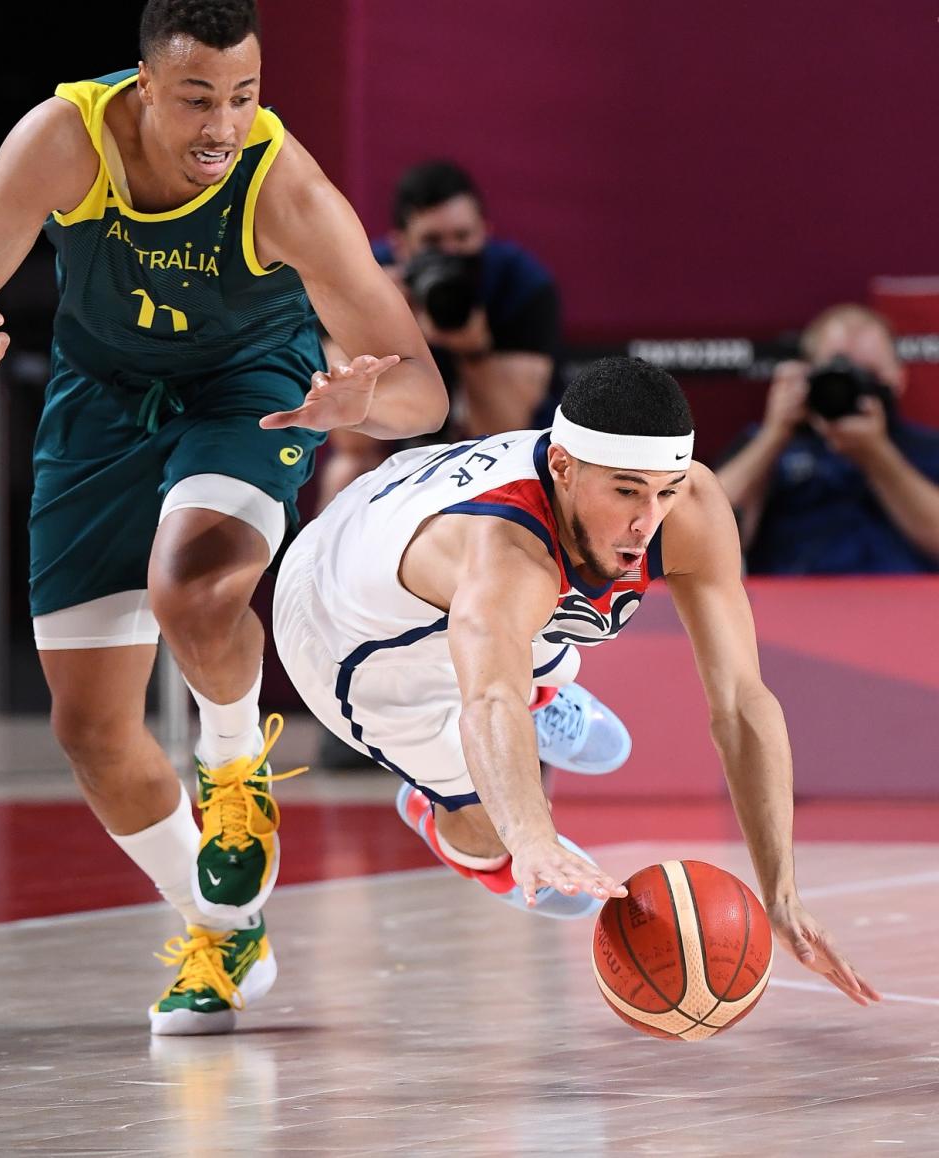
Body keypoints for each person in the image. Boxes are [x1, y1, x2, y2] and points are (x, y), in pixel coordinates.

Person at [0, 0, 447, 1035]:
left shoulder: (286, 191)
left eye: (244, 96)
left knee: (191, 588)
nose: (221, 126)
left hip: (252, 392)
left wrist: (369, 401)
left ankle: (234, 769)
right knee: (91, 728)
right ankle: (225, 932)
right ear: (142, 88)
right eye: (197, 98)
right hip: (99, 402)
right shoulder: (63, 140)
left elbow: (427, 393)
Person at [272, 355, 880, 1007]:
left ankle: (544, 687)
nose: (648, 521)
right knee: (493, 819)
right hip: (346, 631)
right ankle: (439, 804)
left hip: (414, 517)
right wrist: (530, 838)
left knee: (537, 632)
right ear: (563, 466)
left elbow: (741, 703)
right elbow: (488, 698)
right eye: (625, 491)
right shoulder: (504, 551)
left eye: (664, 489)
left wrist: (782, 894)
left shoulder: (688, 504)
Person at [316, 158, 563, 509]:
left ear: (485, 232)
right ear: (401, 245)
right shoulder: (367, 280)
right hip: (396, 448)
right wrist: (378, 328)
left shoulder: (520, 285)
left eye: (462, 237)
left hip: (496, 454)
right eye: (432, 241)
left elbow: (507, 429)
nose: (450, 254)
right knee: (346, 471)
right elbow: (350, 442)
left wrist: (474, 350)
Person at [716, 303, 939, 574]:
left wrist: (877, 456)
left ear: (898, 378)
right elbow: (702, 533)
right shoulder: (764, 444)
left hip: (911, 605)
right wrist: (774, 435)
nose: (852, 388)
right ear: (806, 374)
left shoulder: (929, 448)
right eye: (837, 373)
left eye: (867, 375)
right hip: (792, 605)